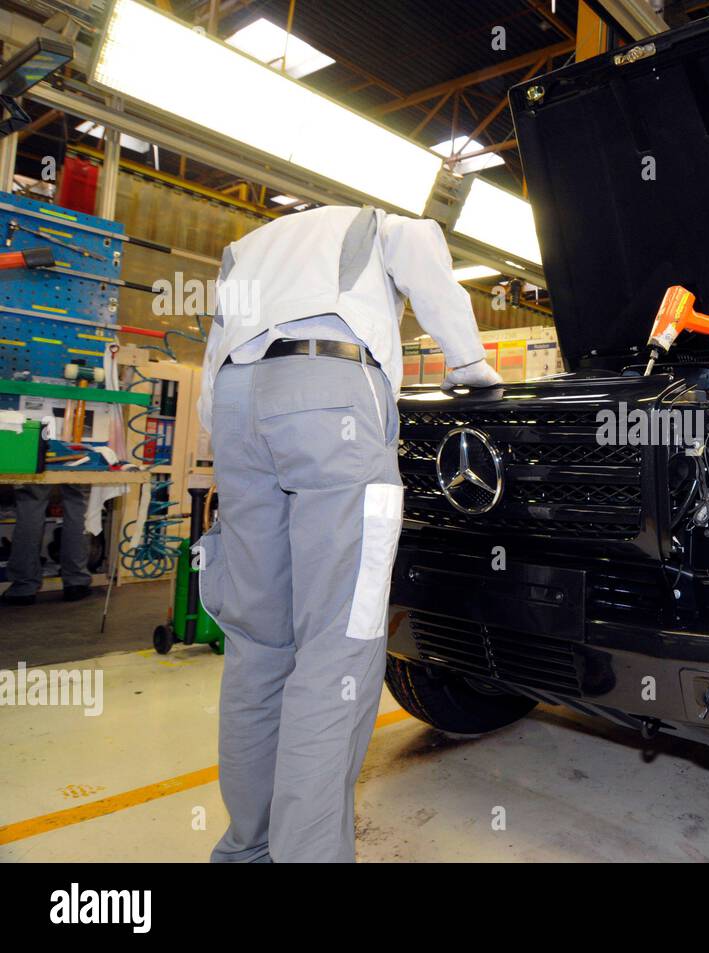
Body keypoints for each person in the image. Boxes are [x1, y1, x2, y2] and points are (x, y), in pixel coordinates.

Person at [197, 205, 501, 863]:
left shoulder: (247, 245)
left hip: (236, 406)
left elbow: (213, 347)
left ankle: (246, 847)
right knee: (338, 643)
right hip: (330, 392)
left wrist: (221, 430)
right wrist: (469, 362)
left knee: (256, 642)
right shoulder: (373, 222)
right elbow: (420, 243)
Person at [1, 483, 91, 606]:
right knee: (77, 502)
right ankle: (76, 583)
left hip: (36, 463)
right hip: (77, 463)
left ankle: (23, 587)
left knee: (31, 502)